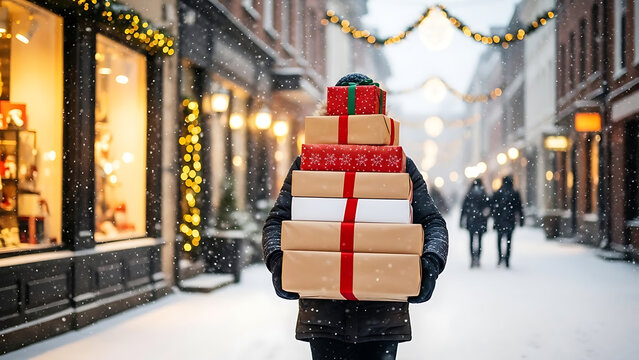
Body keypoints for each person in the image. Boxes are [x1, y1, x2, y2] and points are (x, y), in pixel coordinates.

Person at [262, 73, 449, 360]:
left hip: (380, 314)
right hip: (326, 313)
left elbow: (433, 222)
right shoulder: (311, 163)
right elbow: (277, 221)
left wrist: (430, 264)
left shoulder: (397, 165)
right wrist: (278, 260)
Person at [491, 175, 524, 268]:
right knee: (509, 240)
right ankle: (507, 259)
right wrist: (521, 219)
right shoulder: (514, 192)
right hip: (510, 220)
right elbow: (519, 208)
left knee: (499, 240)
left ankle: (500, 257)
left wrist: (494, 218)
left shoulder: (498, 192)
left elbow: (494, 207)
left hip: (499, 220)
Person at [459, 179, 491, 268]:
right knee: (480, 240)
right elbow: (488, 208)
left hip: (471, 221)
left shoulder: (469, 194)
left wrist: (461, 221)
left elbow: (464, 209)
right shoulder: (483, 194)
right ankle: (478, 258)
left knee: (471, 240)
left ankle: (473, 259)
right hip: (481, 221)